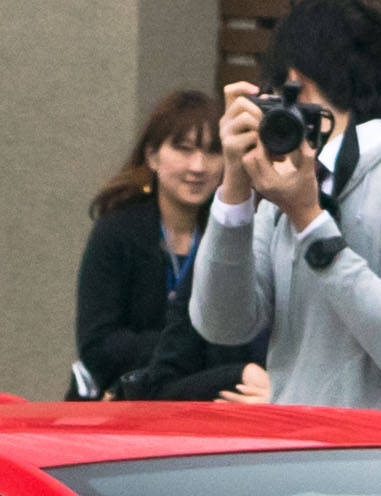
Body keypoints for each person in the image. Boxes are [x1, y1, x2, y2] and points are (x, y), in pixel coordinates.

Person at [188, 0, 381, 414]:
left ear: (294, 81)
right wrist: (234, 188)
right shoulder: (286, 188)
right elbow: (222, 325)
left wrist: (309, 221)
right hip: (293, 462)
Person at [74, 88, 262, 401]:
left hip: (214, 404)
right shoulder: (118, 230)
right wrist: (195, 346)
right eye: (184, 149)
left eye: (213, 151)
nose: (198, 166)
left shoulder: (236, 232)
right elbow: (99, 346)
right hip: (123, 405)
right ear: (152, 156)